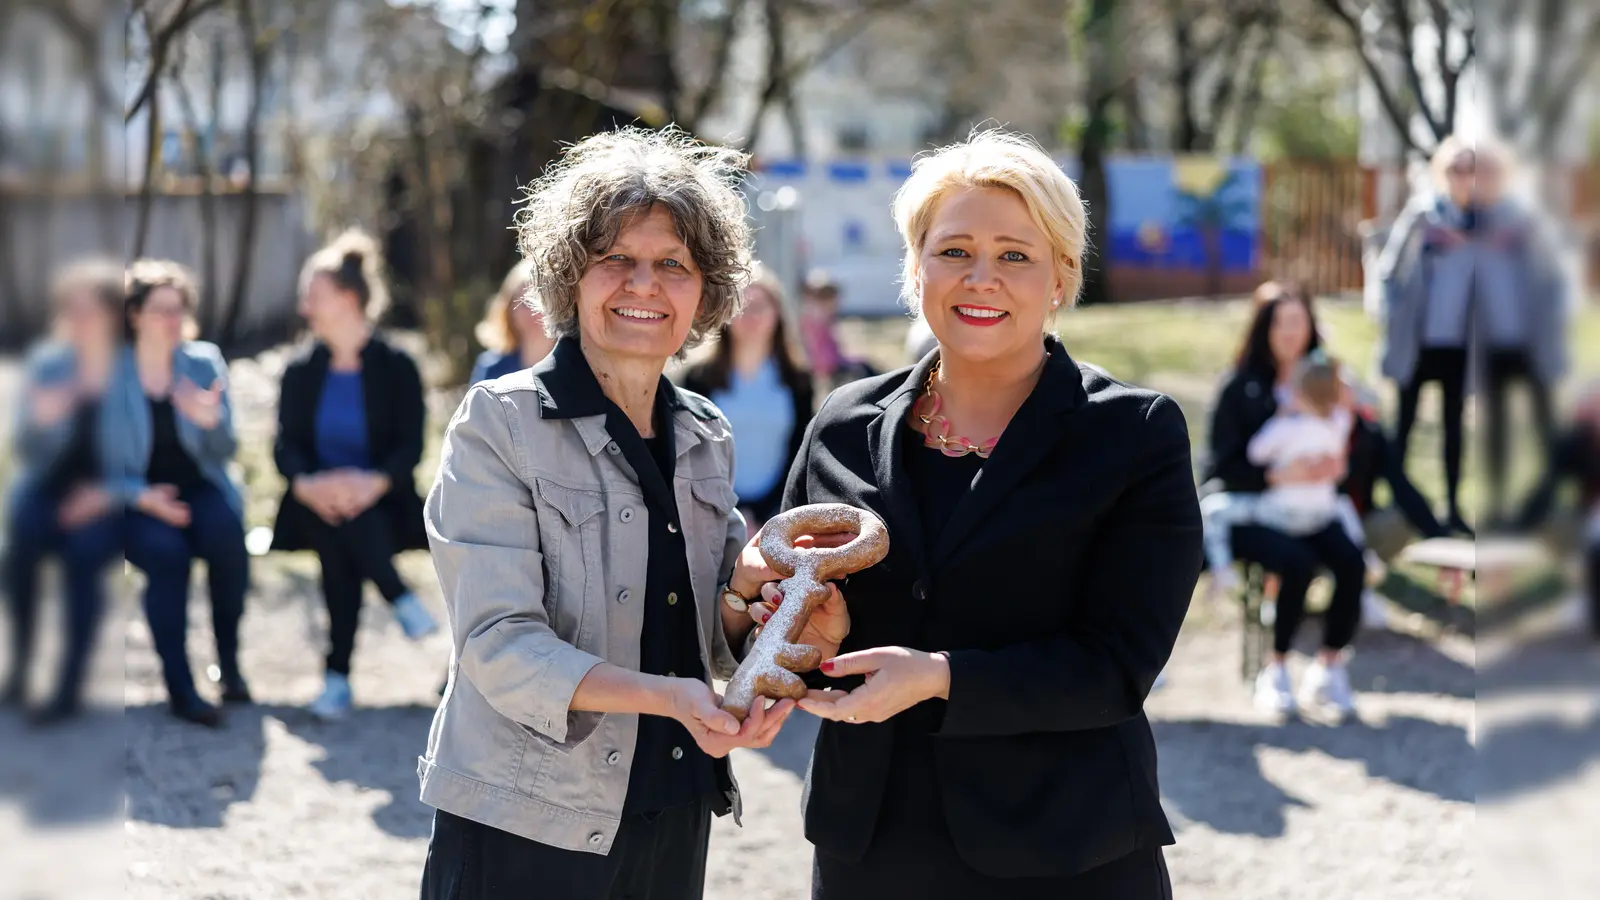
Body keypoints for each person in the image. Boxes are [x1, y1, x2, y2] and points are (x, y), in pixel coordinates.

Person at [749, 129, 1200, 898]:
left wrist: (939, 677)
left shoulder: (1134, 433)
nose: (980, 278)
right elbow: (791, 618)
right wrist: (797, 631)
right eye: (953, 251)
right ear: (915, 267)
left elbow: (1119, 665)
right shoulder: (843, 423)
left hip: (1066, 846)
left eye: (1015, 255)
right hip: (872, 844)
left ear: (1061, 276)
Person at [417, 127, 801, 900]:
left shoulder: (703, 433)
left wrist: (760, 659)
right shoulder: (500, 422)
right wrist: (668, 696)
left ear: (707, 288)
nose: (643, 285)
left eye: (672, 265)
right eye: (615, 259)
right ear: (568, 273)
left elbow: (715, 631)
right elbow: (498, 646)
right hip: (530, 818)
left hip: (678, 805)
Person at [268, 230, 436, 720]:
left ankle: (336, 679)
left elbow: (411, 443)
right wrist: (308, 484)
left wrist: (372, 484)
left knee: (350, 531)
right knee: (339, 523)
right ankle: (398, 596)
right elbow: (284, 444)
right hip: (313, 503)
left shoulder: (397, 364)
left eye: (313, 297)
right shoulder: (301, 369)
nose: (305, 308)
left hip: (386, 502)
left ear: (347, 299)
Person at [1376, 136, 1568, 533]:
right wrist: (1393, 319)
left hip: (1463, 345)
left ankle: (1454, 509)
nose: (1466, 177)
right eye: (1457, 168)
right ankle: (1398, 503)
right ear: (1443, 172)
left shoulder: (1495, 222)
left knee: (1454, 427)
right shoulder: (1424, 216)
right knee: (1404, 424)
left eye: (1473, 169)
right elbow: (1389, 272)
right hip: (1418, 342)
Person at [1205, 281, 1367, 716]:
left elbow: (1361, 439)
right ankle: (1274, 670)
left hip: (1314, 505)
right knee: (1296, 562)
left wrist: (1338, 466)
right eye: (1279, 322)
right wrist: (1276, 475)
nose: (1290, 332)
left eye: (1298, 321)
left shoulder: (1327, 381)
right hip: (1256, 511)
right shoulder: (1239, 387)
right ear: (1263, 328)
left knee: (1352, 562)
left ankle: (1329, 665)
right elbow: (1222, 467)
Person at [117, 260, 251, 728]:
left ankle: (230, 668)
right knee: (167, 556)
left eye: (179, 309)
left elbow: (228, 450)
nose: (173, 320)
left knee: (228, 542)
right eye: (160, 310)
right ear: (134, 314)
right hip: (131, 498)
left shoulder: (202, 362)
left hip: (199, 488)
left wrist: (209, 422)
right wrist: (143, 497)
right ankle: (181, 689)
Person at [1, 259, 126, 723]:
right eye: (70, 310)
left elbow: (149, 456)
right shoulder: (50, 364)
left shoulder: (131, 371)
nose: (76, 320)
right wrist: (49, 417)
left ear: (112, 314)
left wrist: (105, 495)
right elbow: (26, 448)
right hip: (54, 486)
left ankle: (69, 687)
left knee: (84, 553)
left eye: (87, 310)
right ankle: (18, 671)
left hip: (113, 496)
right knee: (19, 546)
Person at [1201, 351, 1355, 590]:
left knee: (1211, 509)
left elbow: (1255, 452)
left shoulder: (1286, 427)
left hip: (1281, 513)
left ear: (1296, 393)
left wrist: (1279, 417)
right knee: (1343, 506)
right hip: (1321, 514)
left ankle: (1222, 569)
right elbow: (1346, 412)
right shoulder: (1337, 426)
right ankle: (1364, 554)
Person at [680, 264, 814, 530]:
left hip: (777, 514)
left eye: (760, 306)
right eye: (741, 306)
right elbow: (692, 455)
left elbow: (801, 452)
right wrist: (735, 511)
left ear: (777, 313)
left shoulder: (798, 379)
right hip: (710, 513)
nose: (750, 316)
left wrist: (766, 513)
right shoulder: (699, 379)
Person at [1517, 379, 1600, 638]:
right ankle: (1585, 594)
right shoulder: (1576, 442)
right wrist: (1517, 529)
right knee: (1555, 522)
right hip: (1590, 516)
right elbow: (1546, 486)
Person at [470, 258, 556, 384]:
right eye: (524, 302)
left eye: (540, 301)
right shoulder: (491, 369)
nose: (533, 311)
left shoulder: (578, 365)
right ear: (508, 311)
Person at [799, 270, 877, 389]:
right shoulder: (815, 320)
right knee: (866, 372)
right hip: (829, 366)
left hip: (834, 363)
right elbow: (820, 354)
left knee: (867, 366)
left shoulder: (825, 319)